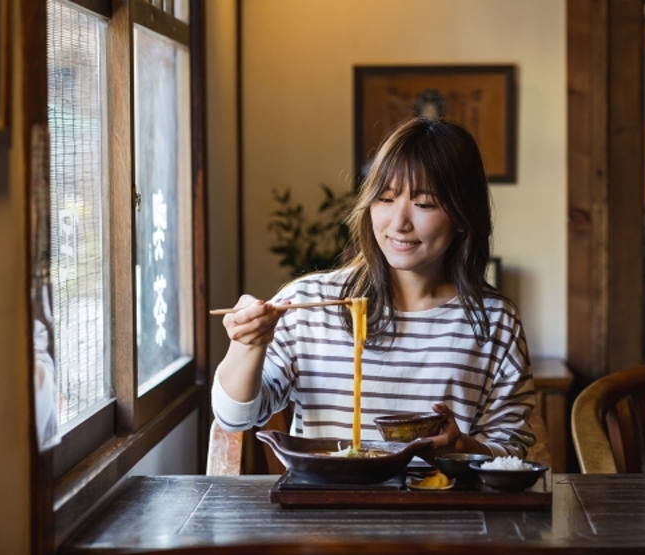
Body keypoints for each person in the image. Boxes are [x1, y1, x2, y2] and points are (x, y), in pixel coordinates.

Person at [212, 116, 535, 458]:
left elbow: (512, 448)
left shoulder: (494, 321)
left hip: (440, 506)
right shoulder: (309, 305)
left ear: (462, 215)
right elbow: (235, 418)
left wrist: (463, 447)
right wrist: (246, 344)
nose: (399, 224)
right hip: (328, 506)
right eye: (385, 198)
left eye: (424, 204)